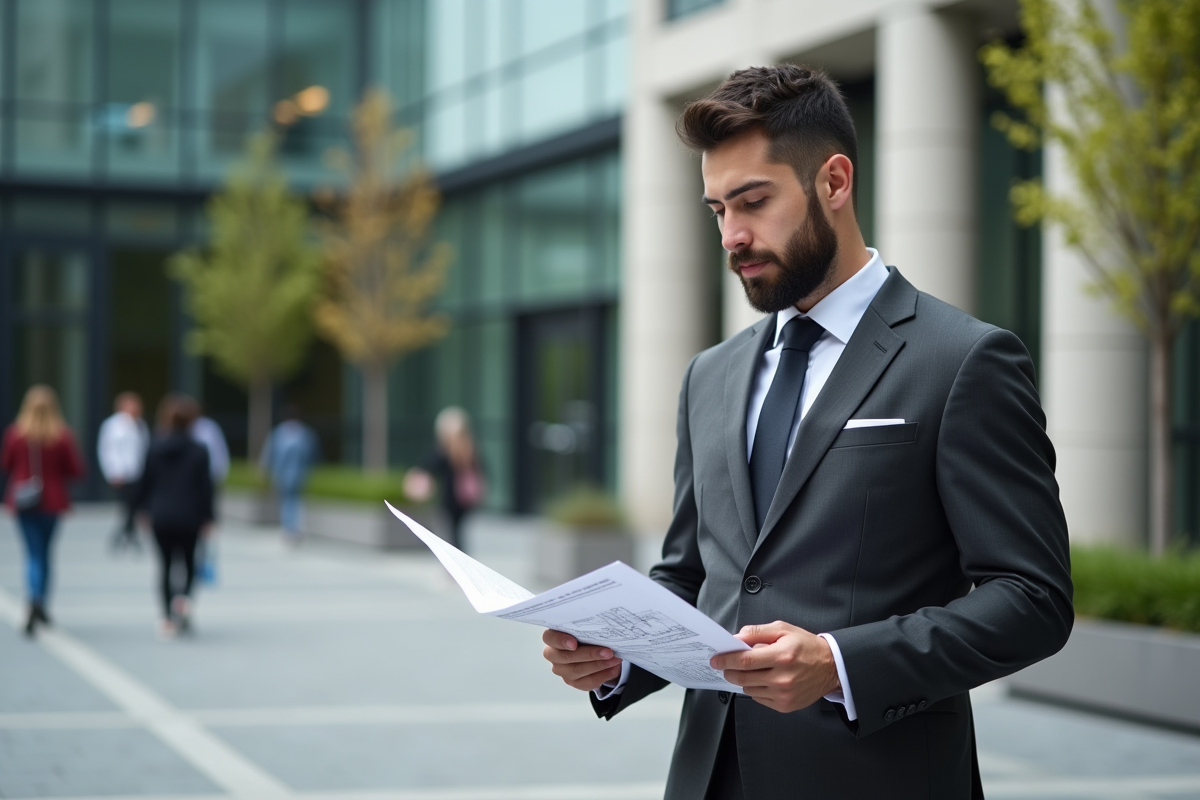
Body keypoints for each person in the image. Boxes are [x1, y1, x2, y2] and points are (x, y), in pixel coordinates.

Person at [540, 65, 1073, 799]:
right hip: (708, 778)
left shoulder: (962, 360)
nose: (732, 235)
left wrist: (841, 663)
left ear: (834, 182)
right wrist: (619, 654)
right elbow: (696, 576)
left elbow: (1032, 599)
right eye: (717, 210)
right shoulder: (709, 375)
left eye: (754, 201)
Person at [1, 386, 85, 636]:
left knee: (33, 553)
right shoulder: (62, 436)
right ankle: (41, 601)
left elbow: (6, 464)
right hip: (52, 501)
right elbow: (76, 470)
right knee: (45, 553)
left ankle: (35, 598)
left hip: (25, 500)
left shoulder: (16, 435)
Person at [133, 394, 214, 639]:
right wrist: (209, 517)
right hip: (190, 515)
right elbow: (206, 488)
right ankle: (184, 600)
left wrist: (140, 510)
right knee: (189, 562)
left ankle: (167, 617)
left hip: (161, 514)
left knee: (165, 566)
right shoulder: (199, 450)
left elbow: (145, 482)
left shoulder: (154, 447)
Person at [403, 406, 486, 551]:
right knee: (457, 533)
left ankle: (456, 560)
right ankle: (460, 557)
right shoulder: (470, 449)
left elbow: (426, 467)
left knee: (451, 534)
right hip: (465, 500)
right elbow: (482, 471)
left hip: (450, 500)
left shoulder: (444, 451)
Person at [97, 391, 150, 552]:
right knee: (128, 505)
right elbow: (106, 450)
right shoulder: (112, 425)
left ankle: (126, 534)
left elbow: (144, 448)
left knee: (133, 506)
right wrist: (112, 471)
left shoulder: (140, 424)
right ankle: (126, 535)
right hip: (121, 472)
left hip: (138, 471)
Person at [259, 405, 318, 545]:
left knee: (286, 501)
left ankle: (288, 529)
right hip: (299, 475)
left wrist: (264, 471)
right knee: (295, 501)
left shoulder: (279, 432)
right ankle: (294, 528)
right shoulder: (304, 433)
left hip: (282, 475)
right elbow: (312, 455)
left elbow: (269, 454)